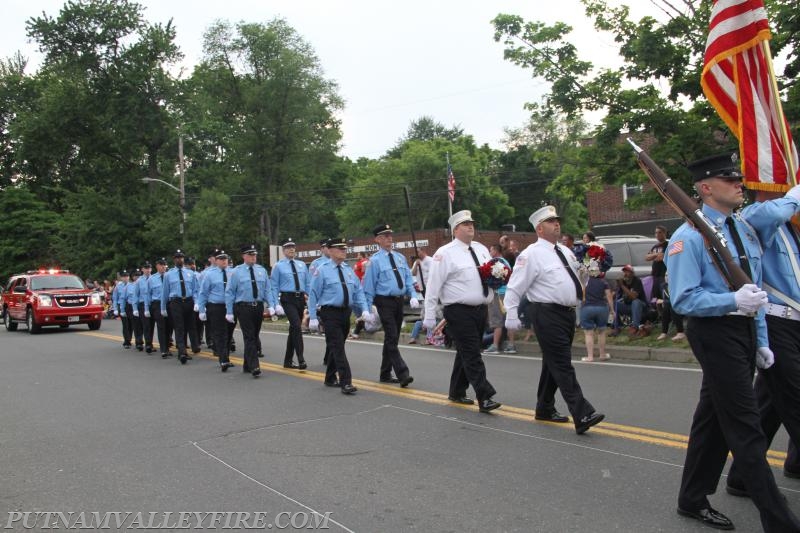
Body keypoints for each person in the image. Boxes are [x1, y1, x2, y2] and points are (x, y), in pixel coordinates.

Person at [666, 153, 800, 532]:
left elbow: (754, 291)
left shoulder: (741, 229)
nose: (738, 183)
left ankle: (691, 498)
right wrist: (731, 301)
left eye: (738, 178)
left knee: (711, 419)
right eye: (729, 179)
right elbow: (684, 299)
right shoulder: (687, 238)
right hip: (713, 331)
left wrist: (760, 340)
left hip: (742, 330)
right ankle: (779, 519)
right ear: (706, 188)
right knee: (745, 426)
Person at [725, 182, 800, 496]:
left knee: (771, 400)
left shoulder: (791, 225)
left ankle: (743, 474)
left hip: (795, 323)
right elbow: (768, 215)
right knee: (796, 397)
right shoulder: (756, 215)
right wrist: (792, 197)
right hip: (776, 320)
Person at [504, 205, 605, 434]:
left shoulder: (567, 251)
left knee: (553, 362)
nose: (557, 224)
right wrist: (511, 312)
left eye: (557, 220)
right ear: (539, 228)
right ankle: (582, 412)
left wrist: (590, 270)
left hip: (567, 313)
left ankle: (544, 407)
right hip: (546, 313)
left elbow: (579, 281)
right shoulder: (531, 254)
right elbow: (515, 286)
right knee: (561, 363)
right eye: (551, 221)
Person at [422, 210, 502, 413]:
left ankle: (457, 390)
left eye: (472, 223)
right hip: (458, 310)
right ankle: (485, 396)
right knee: (473, 353)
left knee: (466, 352)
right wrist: (430, 315)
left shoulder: (481, 249)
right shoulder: (445, 253)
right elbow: (433, 285)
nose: (470, 226)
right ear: (455, 229)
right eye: (465, 224)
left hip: (480, 309)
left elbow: (490, 275)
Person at [308, 237, 369, 394]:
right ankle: (346, 381)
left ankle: (329, 377)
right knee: (338, 347)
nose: (344, 251)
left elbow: (358, 291)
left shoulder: (348, 270)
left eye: (344, 248)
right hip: (330, 313)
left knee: (338, 346)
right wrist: (313, 316)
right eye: (340, 248)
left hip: (345, 313)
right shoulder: (321, 270)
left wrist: (364, 309)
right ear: (330, 250)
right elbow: (314, 293)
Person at [362, 223, 419, 386]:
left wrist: (413, 295)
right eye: (385, 236)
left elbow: (409, 279)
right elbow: (368, 288)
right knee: (393, 335)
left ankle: (385, 373)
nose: (389, 238)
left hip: (399, 301)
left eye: (390, 235)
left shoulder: (400, 257)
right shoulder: (374, 261)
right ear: (377, 240)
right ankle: (402, 373)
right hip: (384, 301)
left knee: (390, 338)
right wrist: (367, 310)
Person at [225, 244, 275, 378]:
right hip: (243, 306)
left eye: (255, 255)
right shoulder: (236, 272)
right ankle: (255, 366)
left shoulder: (261, 270)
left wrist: (271, 305)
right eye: (250, 255)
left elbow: (267, 289)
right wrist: (229, 311)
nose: (253, 257)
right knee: (250, 336)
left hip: (257, 306)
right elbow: (230, 292)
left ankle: (247, 365)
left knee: (254, 334)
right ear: (244, 256)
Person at [270, 238, 309, 370]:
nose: (292, 249)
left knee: (294, 329)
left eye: (293, 247)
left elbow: (307, 283)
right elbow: (274, 286)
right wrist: (275, 303)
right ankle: (301, 358)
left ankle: (287, 360)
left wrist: (311, 299)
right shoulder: (278, 266)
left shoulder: (301, 265)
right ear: (283, 250)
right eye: (288, 247)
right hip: (287, 298)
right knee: (297, 326)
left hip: (300, 299)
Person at [198, 249, 235, 372]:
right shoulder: (209, 274)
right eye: (221, 259)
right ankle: (223, 359)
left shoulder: (233, 273)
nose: (224, 261)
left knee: (229, 333)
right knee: (220, 333)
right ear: (216, 261)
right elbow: (203, 293)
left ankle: (227, 357)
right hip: (216, 306)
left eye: (225, 259)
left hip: (230, 307)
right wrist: (201, 309)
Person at [161, 249, 200, 365]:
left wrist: (197, 302)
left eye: (182, 257)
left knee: (191, 325)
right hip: (176, 302)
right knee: (179, 327)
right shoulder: (168, 275)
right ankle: (182, 352)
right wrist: (163, 307)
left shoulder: (190, 273)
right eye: (178, 258)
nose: (180, 259)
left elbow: (195, 290)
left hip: (188, 301)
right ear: (174, 260)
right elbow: (165, 292)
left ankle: (193, 346)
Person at [482, 244, 516, 355]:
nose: (490, 252)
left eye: (490, 249)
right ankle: (511, 345)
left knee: (497, 320)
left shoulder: (496, 262)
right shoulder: (506, 263)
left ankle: (495, 345)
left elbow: (493, 278)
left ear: (496, 251)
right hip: (508, 292)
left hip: (497, 294)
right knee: (508, 320)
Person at [579, 259, 614, 362]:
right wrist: (612, 310)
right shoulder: (604, 282)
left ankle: (590, 356)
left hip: (587, 308)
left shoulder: (585, 281)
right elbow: (609, 296)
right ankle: (602, 354)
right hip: (602, 308)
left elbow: (580, 273)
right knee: (602, 332)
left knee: (589, 333)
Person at [610, 265, 649, 338]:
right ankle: (617, 326)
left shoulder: (637, 281)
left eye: (627, 272)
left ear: (632, 273)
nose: (625, 273)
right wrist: (617, 287)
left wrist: (622, 286)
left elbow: (634, 297)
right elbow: (615, 295)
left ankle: (635, 326)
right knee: (614, 304)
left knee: (636, 302)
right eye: (624, 271)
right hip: (629, 307)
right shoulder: (623, 283)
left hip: (641, 307)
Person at [143, 257, 170, 358]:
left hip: (169, 303)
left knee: (169, 327)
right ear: (157, 266)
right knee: (161, 326)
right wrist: (146, 308)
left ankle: (167, 347)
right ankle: (164, 350)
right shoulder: (152, 279)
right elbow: (147, 294)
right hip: (157, 304)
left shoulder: (170, 276)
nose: (163, 266)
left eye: (165, 265)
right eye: (161, 265)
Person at [656, 274, 685, 342]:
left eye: (669, 275)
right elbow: (658, 298)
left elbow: (677, 300)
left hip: (681, 306)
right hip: (668, 307)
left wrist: (664, 301)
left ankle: (680, 332)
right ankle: (664, 332)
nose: (667, 277)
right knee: (667, 307)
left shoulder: (678, 285)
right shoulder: (662, 286)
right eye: (665, 275)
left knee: (671, 306)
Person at [645, 225, 669, 299]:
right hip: (655, 275)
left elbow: (661, 257)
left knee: (664, 296)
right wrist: (656, 254)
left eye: (659, 232)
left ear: (664, 233)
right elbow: (646, 257)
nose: (657, 235)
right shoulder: (655, 246)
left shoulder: (668, 245)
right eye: (656, 233)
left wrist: (653, 256)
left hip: (664, 275)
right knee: (656, 296)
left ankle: (666, 310)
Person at [135, 262, 152, 352]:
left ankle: (150, 342)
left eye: (149, 268)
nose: (148, 270)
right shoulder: (139, 281)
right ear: (142, 269)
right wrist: (135, 308)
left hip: (152, 304)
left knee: (151, 325)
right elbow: (136, 295)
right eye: (146, 268)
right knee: (145, 325)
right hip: (142, 304)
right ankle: (147, 344)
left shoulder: (154, 278)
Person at [126, 269, 144, 351]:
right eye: (135, 276)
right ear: (132, 277)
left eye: (139, 275)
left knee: (144, 325)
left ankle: (146, 342)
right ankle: (139, 342)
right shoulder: (128, 286)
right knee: (136, 326)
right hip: (131, 307)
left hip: (142, 305)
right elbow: (124, 298)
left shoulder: (143, 283)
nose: (137, 277)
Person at [112, 270, 131, 348]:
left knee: (131, 324)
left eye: (127, 276)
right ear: (121, 278)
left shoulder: (132, 285)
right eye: (124, 277)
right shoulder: (118, 287)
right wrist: (115, 308)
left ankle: (130, 338)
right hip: (121, 306)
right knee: (125, 324)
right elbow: (115, 298)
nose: (125, 278)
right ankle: (127, 341)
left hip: (130, 305)